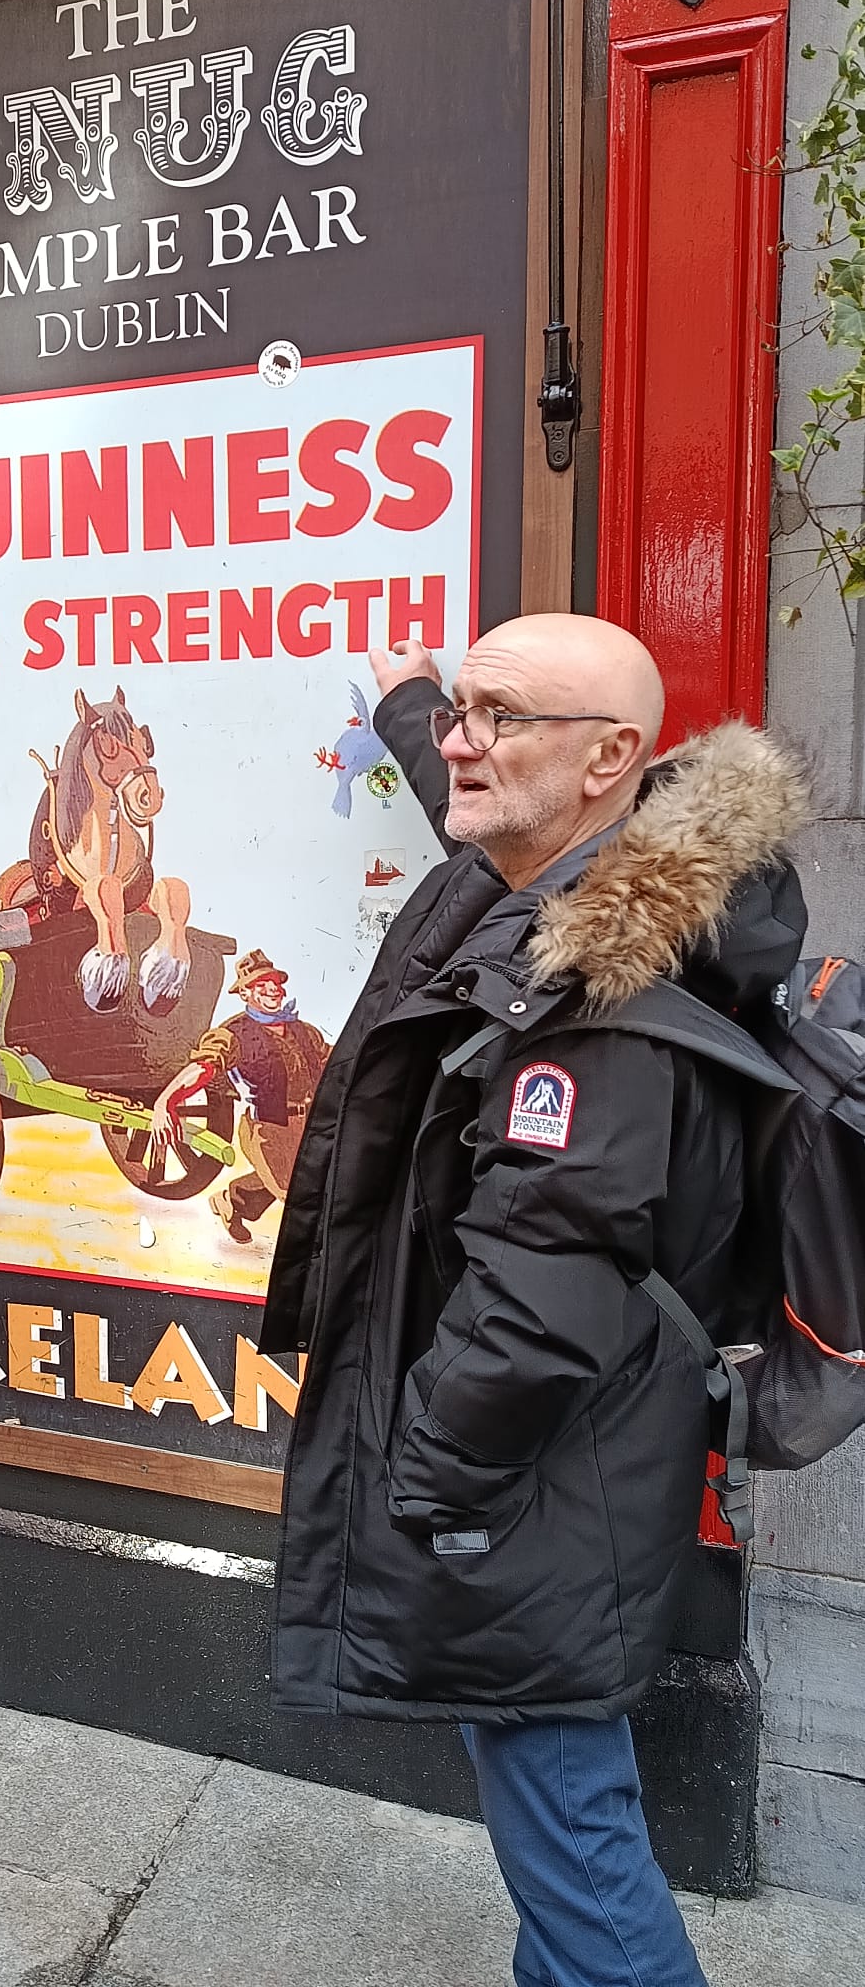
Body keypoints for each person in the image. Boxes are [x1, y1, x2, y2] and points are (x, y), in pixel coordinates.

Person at [260, 614, 809, 1987]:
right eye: (459, 710)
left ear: (611, 758)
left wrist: (420, 1482)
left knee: (573, 1840)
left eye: (498, 716)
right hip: (559, 1468)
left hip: (529, 1485)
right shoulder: (566, 871)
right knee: (554, 1813)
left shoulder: (601, 1012)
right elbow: (477, 800)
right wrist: (408, 703)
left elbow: (542, 1297)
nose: (463, 742)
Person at [150, 949, 329, 1242]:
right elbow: (204, 1068)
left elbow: (335, 1063)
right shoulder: (233, 1034)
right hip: (268, 1130)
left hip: (309, 1125)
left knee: (318, 1178)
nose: (272, 989)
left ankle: (232, 1201)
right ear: (245, 993)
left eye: (274, 982)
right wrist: (165, 1101)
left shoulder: (304, 1031)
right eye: (261, 984)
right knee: (298, 1192)